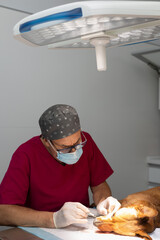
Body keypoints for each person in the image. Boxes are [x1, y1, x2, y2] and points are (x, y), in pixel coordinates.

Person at [0, 104, 120, 228]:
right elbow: (3, 212)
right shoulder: (26, 154)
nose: (74, 151)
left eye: (77, 143)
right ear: (46, 141)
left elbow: (99, 184)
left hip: (80, 225)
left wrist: (103, 200)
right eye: (64, 148)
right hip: (41, 229)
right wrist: (53, 219)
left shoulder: (87, 141)